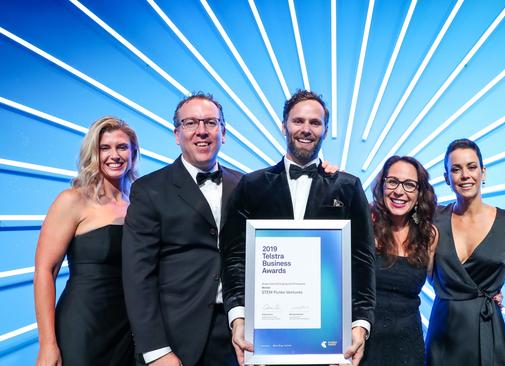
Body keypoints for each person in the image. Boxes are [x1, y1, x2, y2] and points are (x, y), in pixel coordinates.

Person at [220, 89, 376, 366]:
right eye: (298, 121)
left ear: (325, 130)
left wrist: (360, 324)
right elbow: (234, 258)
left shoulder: (348, 187)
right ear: (284, 126)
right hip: (263, 339)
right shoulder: (251, 186)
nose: (306, 129)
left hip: (331, 339)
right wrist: (238, 317)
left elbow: (362, 261)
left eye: (315, 123)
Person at [122, 92, 242, 366]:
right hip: (175, 340)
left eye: (211, 122)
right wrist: (155, 350)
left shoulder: (246, 185)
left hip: (238, 337)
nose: (202, 131)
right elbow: (137, 274)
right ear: (177, 134)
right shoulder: (149, 190)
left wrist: (323, 174)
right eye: (190, 123)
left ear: (223, 133)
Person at [34, 117, 139, 366]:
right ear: (93, 153)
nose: (114, 155)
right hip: (83, 326)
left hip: (128, 329)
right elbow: (44, 271)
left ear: (133, 153)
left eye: (122, 147)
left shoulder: (139, 206)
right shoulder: (72, 200)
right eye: (105, 148)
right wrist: (48, 344)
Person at [426, 138, 505, 366]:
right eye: (456, 169)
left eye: (472, 167)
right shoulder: (433, 219)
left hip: (487, 330)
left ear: (483, 172)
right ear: (447, 178)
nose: (465, 175)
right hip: (443, 332)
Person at [360, 156, 438, 366]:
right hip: (363, 343)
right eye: (392, 181)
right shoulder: (364, 222)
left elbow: (441, 281)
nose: (399, 191)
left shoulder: (428, 234)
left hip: (408, 348)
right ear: (382, 184)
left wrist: (485, 289)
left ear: (420, 192)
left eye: (409, 185)